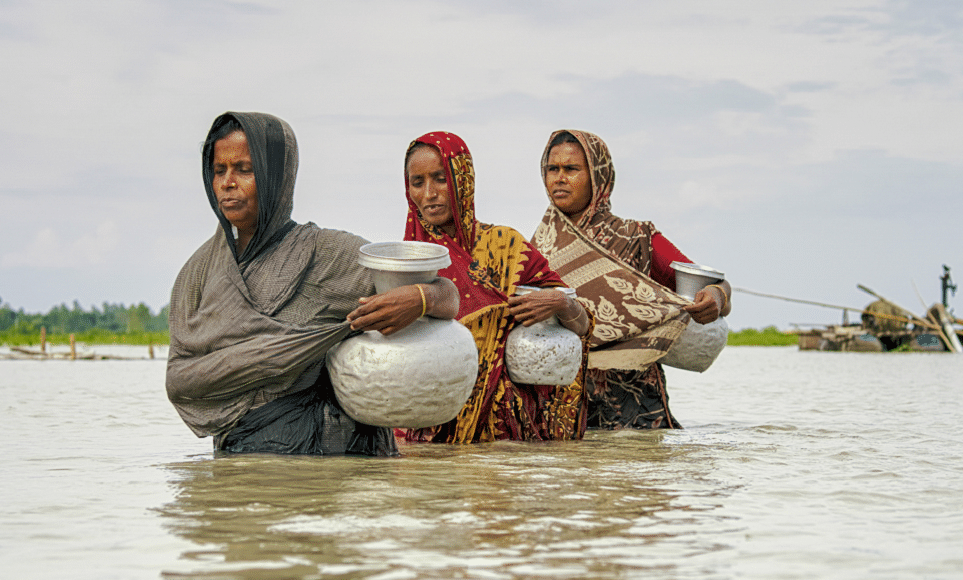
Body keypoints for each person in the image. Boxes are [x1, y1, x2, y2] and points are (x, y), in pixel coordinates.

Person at [166, 112, 460, 456]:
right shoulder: (198, 274)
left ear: (276, 175)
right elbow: (179, 380)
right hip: (242, 460)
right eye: (219, 171)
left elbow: (447, 294)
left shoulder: (325, 253)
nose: (228, 182)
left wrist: (421, 298)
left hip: (332, 462)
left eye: (244, 169)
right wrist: (265, 358)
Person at [395, 131, 592, 444]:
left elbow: (582, 326)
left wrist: (560, 303)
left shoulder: (509, 246)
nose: (429, 193)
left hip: (510, 440)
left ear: (463, 179)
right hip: (428, 438)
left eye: (440, 178)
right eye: (417, 183)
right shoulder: (406, 264)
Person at [529, 129, 733, 430]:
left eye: (571, 169)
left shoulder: (638, 238)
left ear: (599, 176)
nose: (559, 178)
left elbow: (707, 285)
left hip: (636, 400)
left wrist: (716, 297)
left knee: (637, 469)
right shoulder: (534, 250)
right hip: (564, 401)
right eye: (552, 169)